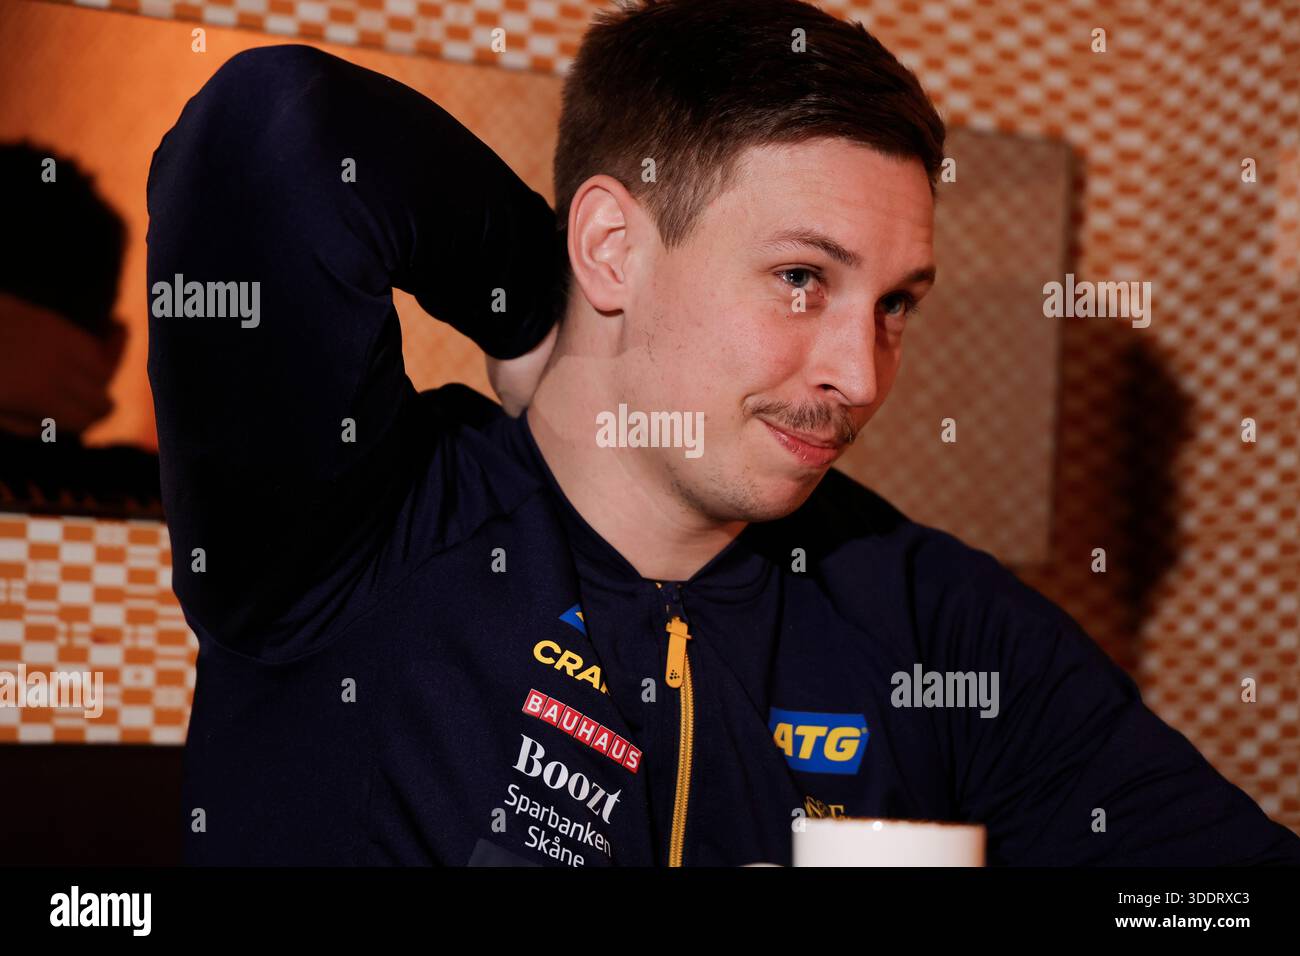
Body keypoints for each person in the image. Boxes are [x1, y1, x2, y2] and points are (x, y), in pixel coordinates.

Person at [146, 0, 1300, 866]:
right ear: (610, 247)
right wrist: (527, 296)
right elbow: (276, 133)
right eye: (802, 277)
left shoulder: (931, 618)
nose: (859, 374)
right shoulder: (360, 534)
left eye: (895, 303)